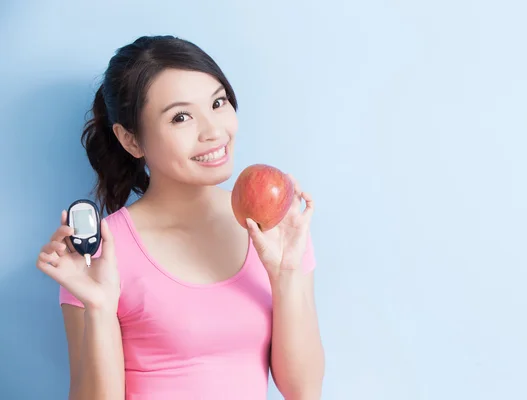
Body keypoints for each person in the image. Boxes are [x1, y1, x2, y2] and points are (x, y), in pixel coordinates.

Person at [35, 35, 325, 400]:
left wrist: (285, 276)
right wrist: (99, 307)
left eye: (218, 102)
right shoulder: (100, 254)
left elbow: (304, 390)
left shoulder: (275, 228)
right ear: (131, 140)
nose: (214, 131)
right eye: (181, 117)